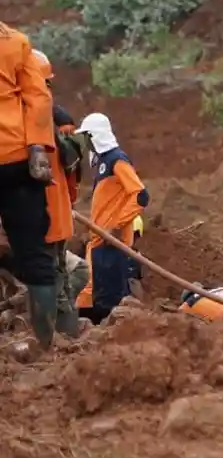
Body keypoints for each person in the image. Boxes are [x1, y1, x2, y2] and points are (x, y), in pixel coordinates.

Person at [0, 23, 56, 351]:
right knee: (35, 255)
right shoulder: (16, 42)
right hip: (17, 159)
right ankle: (45, 346)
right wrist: (37, 147)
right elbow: (38, 96)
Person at [74, 113, 148, 325]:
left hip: (112, 243)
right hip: (100, 242)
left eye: (87, 137)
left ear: (95, 136)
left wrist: (117, 226)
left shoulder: (117, 160)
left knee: (111, 301)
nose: (86, 144)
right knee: (96, 298)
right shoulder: (103, 164)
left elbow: (140, 195)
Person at [37, 49, 86, 338]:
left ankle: (60, 342)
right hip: (58, 217)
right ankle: (68, 339)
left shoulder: (36, 131)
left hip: (43, 221)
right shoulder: (56, 127)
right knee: (61, 280)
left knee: (54, 282)